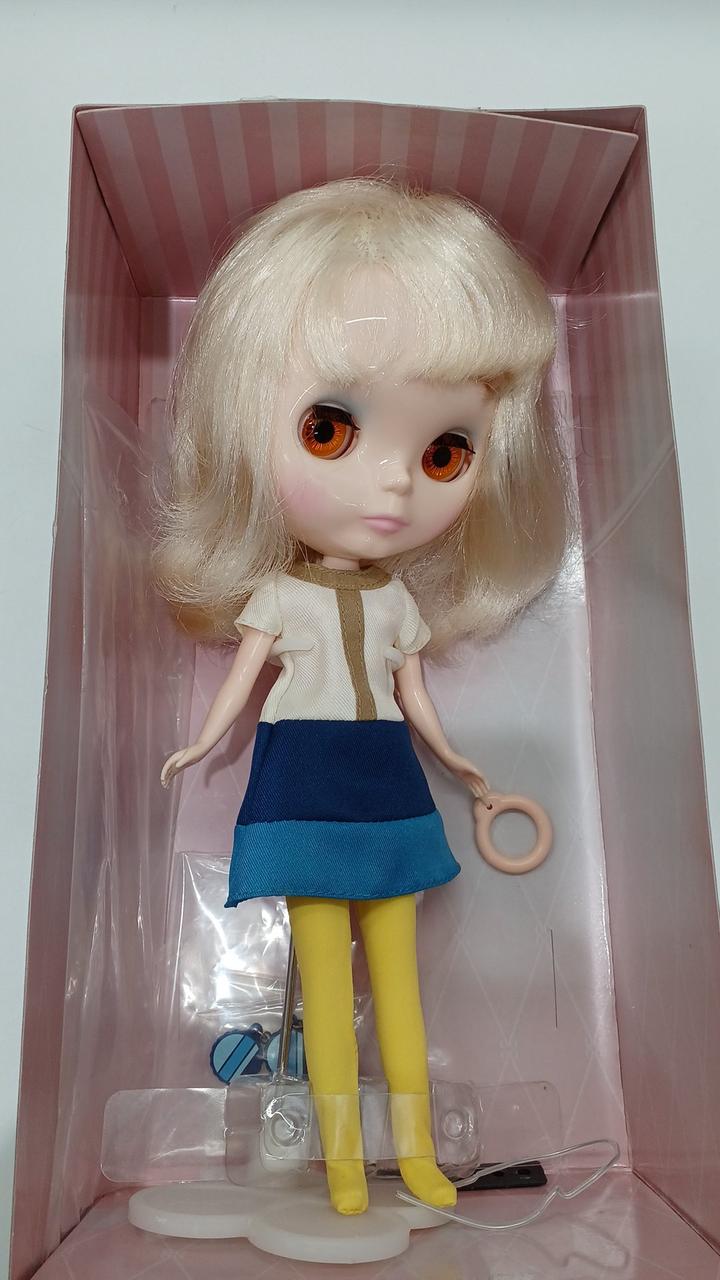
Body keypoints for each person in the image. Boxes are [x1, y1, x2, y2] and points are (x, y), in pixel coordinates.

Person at [156, 179, 571, 1214]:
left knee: (397, 984)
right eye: (332, 431)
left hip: (387, 780)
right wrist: (200, 743)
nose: (395, 485)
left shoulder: (395, 602)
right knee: (328, 992)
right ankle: (343, 1162)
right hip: (301, 778)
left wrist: (461, 763)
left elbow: (415, 693)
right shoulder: (280, 595)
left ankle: (415, 1154)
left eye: (443, 451)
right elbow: (245, 681)